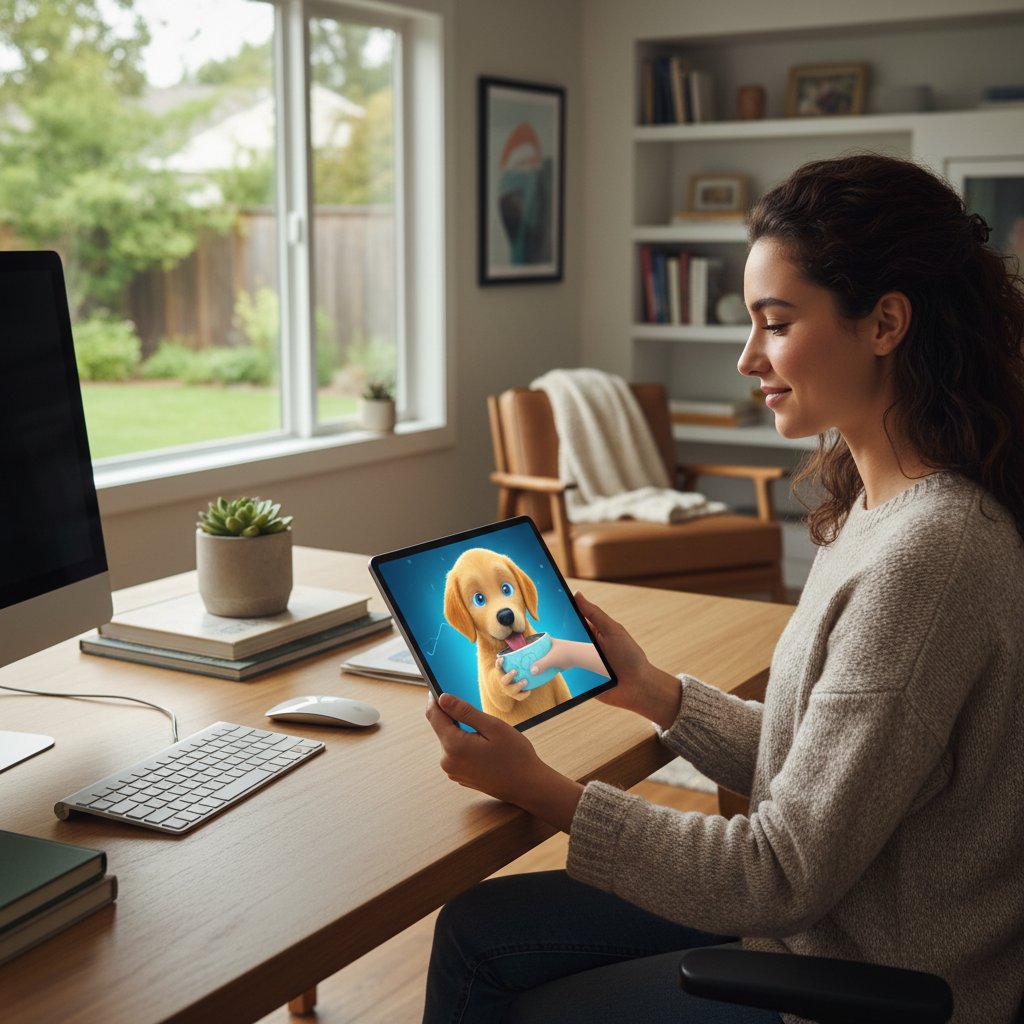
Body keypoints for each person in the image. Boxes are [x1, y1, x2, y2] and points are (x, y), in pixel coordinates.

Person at [423, 153, 1024, 1023]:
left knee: (496, 974)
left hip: (856, 980)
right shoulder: (880, 506)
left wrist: (541, 788)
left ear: (886, 322)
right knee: (482, 926)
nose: (749, 357)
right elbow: (822, 767)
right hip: (825, 919)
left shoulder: (930, 559)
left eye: (776, 324)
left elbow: (775, 873)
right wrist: (658, 693)